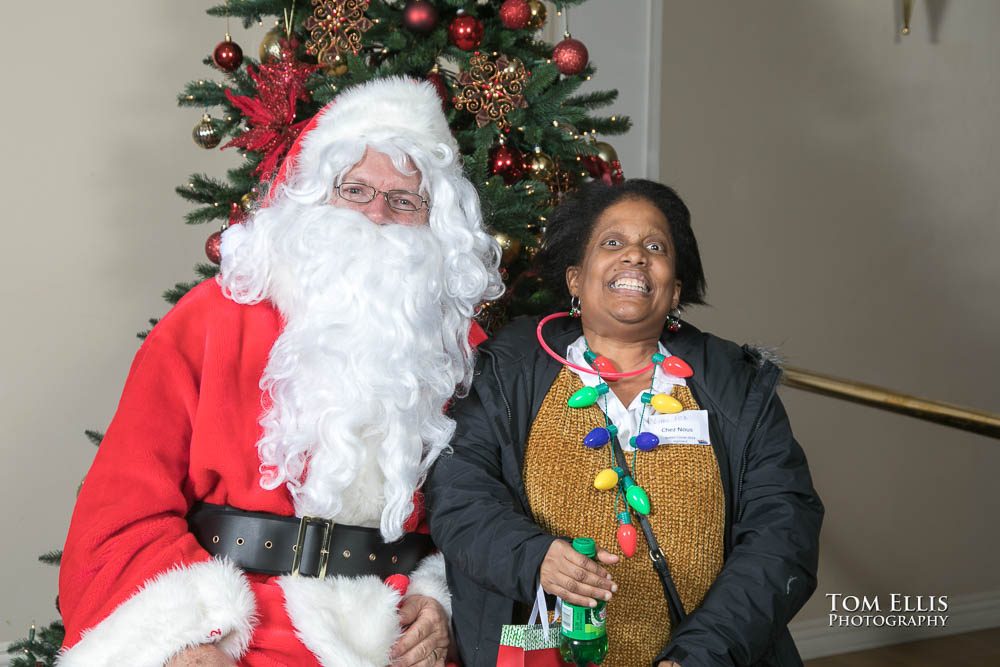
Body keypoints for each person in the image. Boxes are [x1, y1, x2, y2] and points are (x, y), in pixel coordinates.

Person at [57, 77, 503, 667]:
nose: (377, 215)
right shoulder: (211, 319)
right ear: (316, 199)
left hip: (395, 637)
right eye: (357, 190)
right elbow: (122, 507)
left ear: (434, 223)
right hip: (234, 631)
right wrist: (182, 641)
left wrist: (439, 597)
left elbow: (490, 510)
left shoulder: (460, 348)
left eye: (404, 201)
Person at [426, 179, 824, 666]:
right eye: (612, 243)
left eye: (655, 247)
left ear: (675, 289)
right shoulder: (504, 372)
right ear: (575, 278)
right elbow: (458, 496)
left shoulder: (736, 387)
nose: (635, 256)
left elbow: (784, 532)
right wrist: (533, 557)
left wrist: (700, 656)